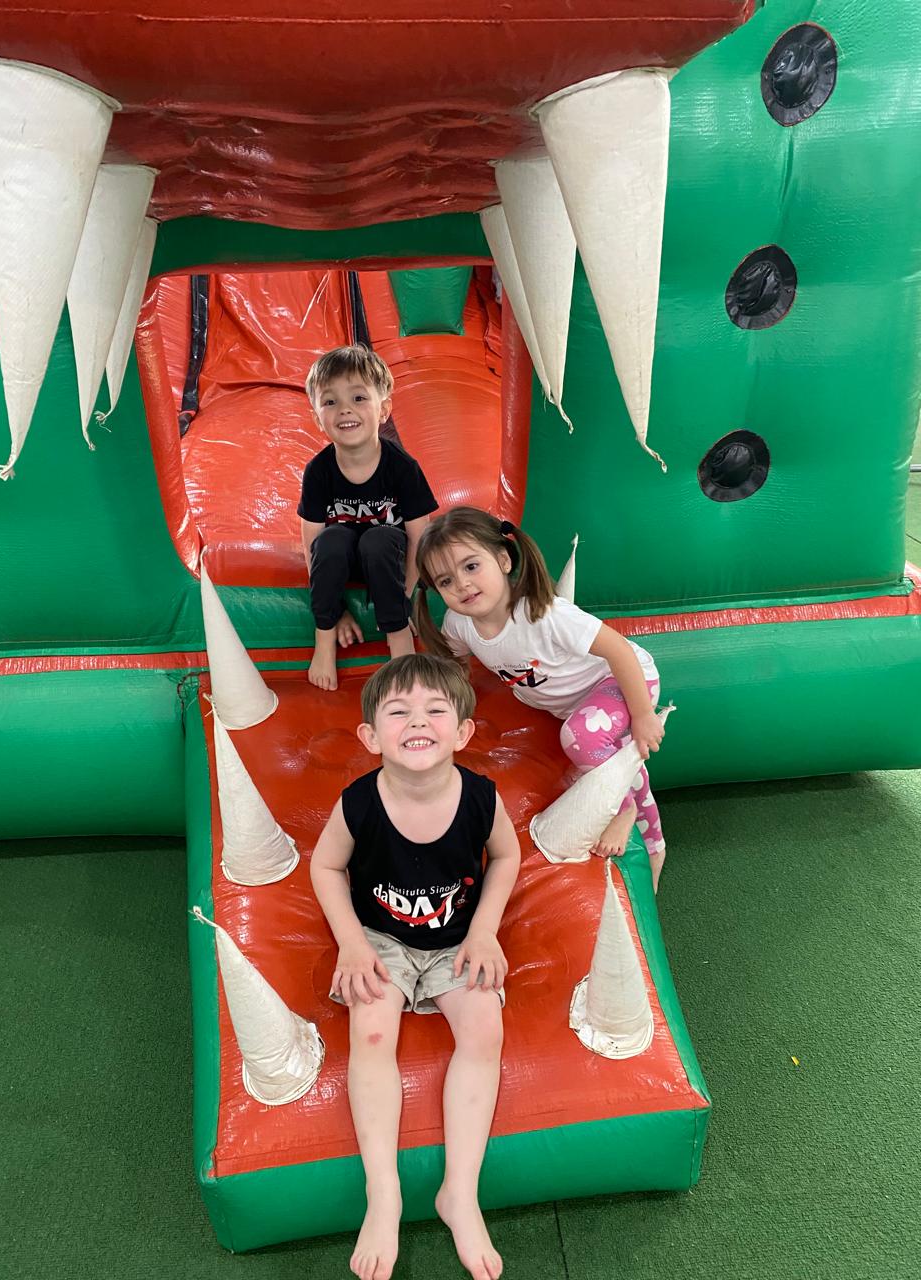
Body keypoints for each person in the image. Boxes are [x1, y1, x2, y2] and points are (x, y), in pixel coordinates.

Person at [310, 654, 520, 1280]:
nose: (418, 722)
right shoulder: (358, 804)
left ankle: (460, 1192)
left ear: (463, 732)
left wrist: (484, 931)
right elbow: (325, 866)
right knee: (372, 1032)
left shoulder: (481, 798)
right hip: (382, 939)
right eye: (398, 712)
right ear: (371, 736)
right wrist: (352, 943)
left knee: (484, 1030)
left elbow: (506, 857)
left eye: (435, 710)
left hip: (457, 939)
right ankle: (384, 1193)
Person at [413, 507, 668, 890]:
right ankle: (654, 846)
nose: (462, 585)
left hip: (621, 680)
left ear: (503, 559)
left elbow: (619, 650)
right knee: (594, 742)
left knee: (582, 738)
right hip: (576, 705)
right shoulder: (460, 624)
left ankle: (628, 812)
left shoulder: (544, 614)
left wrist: (644, 715)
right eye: (446, 580)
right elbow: (455, 666)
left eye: (471, 566)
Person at [298, 345, 438, 691]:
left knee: (379, 538)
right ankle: (324, 638)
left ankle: (398, 635)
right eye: (330, 402)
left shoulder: (402, 467)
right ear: (317, 418)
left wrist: (405, 600)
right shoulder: (318, 471)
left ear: (384, 409)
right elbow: (312, 546)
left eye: (359, 398)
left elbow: (420, 537)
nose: (344, 409)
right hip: (342, 561)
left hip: (389, 560)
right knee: (331, 539)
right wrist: (337, 611)